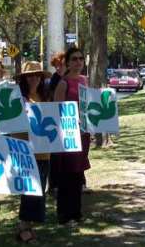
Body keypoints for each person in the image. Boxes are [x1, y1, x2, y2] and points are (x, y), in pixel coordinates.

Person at [13, 61, 52, 243]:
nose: (34, 78)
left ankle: (27, 225)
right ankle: (23, 227)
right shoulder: (17, 98)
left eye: (37, 75)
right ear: (24, 79)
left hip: (44, 152)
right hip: (24, 151)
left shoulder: (45, 97)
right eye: (30, 75)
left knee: (39, 190)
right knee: (30, 190)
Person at [53, 47, 90, 225]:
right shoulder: (63, 83)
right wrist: (72, 121)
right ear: (67, 62)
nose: (78, 62)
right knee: (67, 175)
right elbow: (56, 112)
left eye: (81, 59)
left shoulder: (85, 80)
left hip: (83, 135)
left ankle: (76, 213)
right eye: (74, 59)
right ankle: (64, 215)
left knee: (78, 174)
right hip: (67, 135)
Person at [47, 51, 66, 196]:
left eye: (62, 65)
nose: (59, 68)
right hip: (54, 122)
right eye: (56, 66)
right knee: (55, 156)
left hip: (69, 122)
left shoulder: (73, 79)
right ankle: (54, 185)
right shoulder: (52, 81)